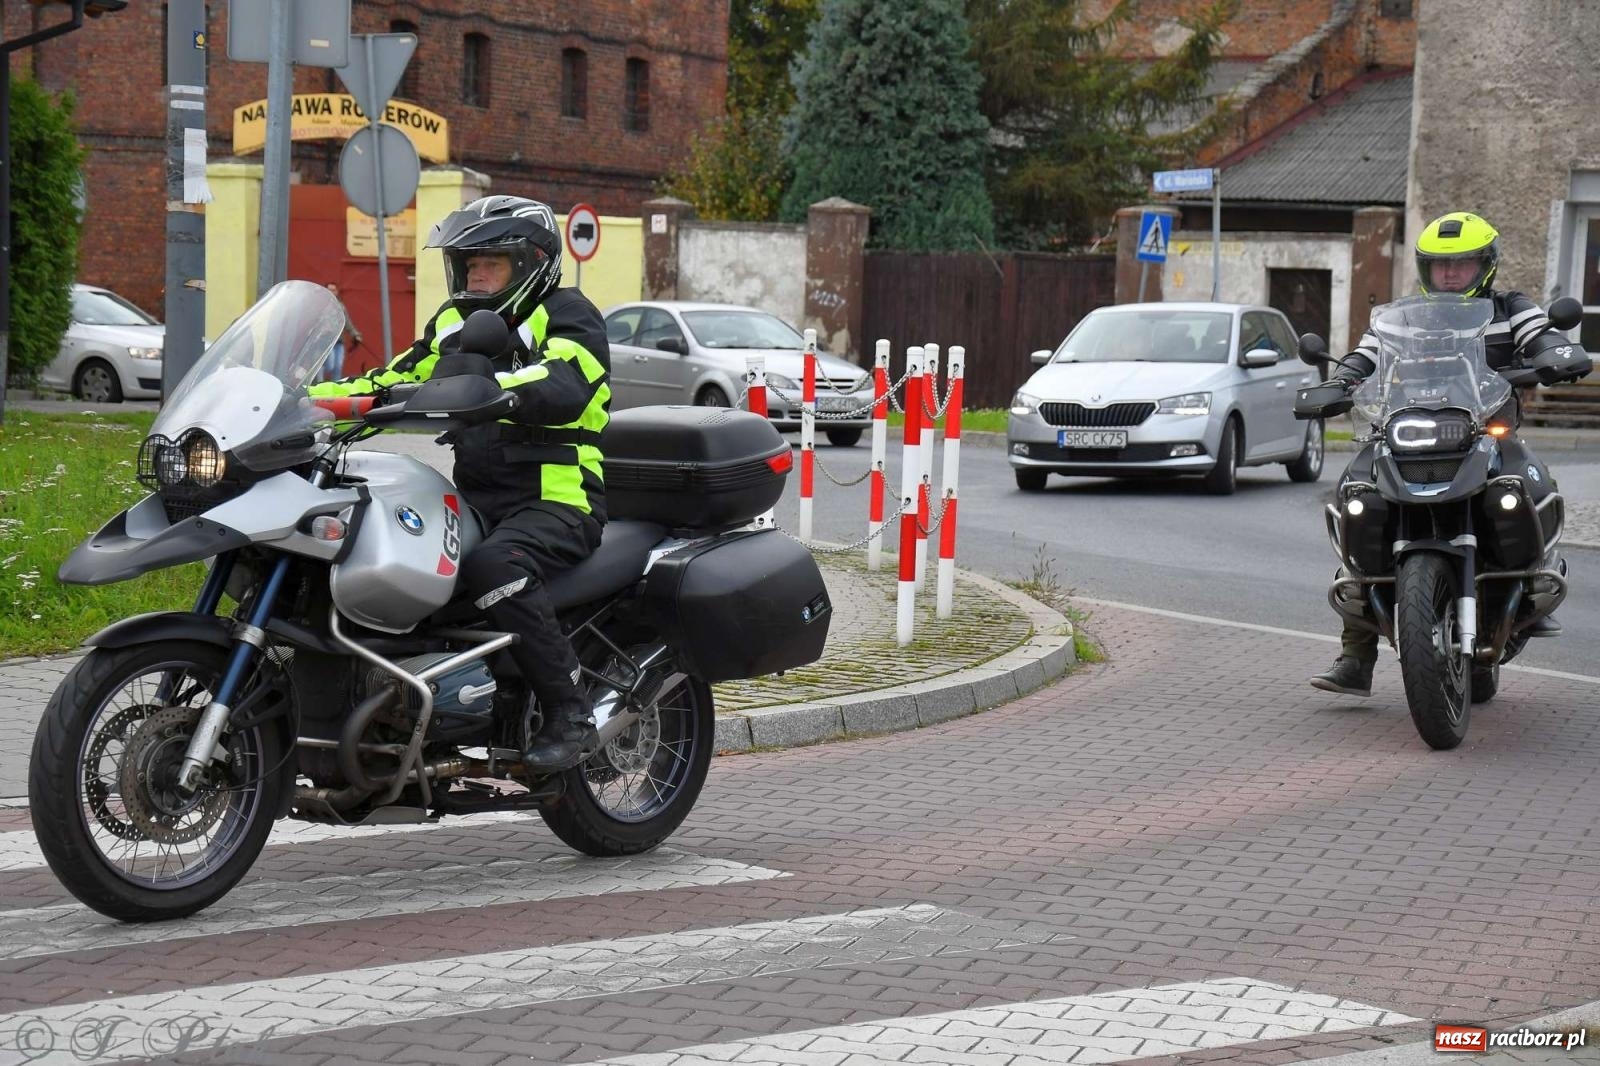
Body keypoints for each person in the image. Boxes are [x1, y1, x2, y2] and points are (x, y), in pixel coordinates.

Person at [309, 195, 611, 773]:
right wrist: (301, 403)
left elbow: (566, 378)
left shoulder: (569, 312)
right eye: (467, 264)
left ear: (531, 264)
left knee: (497, 566)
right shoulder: (454, 321)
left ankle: (571, 712)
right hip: (476, 497)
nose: (474, 275)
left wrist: (495, 388)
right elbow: (396, 376)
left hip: (557, 496)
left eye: (489, 264)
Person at [1310, 211, 1586, 697]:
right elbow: (1366, 354)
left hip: (1485, 430)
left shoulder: (1510, 307)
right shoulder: (1406, 319)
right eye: (1441, 266)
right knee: (1359, 494)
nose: (1451, 274)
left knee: (1524, 483)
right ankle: (1356, 654)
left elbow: (1542, 335)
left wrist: (1555, 355)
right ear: (1425, 270)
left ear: (1485, 265)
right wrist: (1339, 382)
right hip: (1406, 429)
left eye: (1462, 264)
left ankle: (1533, 579)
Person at [321, 282, 365, 383]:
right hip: (327, 341)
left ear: (337, 292)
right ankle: (318, 380)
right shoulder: (322, 306)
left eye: (333, 290)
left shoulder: (341, 307)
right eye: (329, 290)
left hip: (339, 341)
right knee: (329, 365)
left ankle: (336, 388)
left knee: (338, 367)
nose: (331, 292)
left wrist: (356, 335)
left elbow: (347, 323)